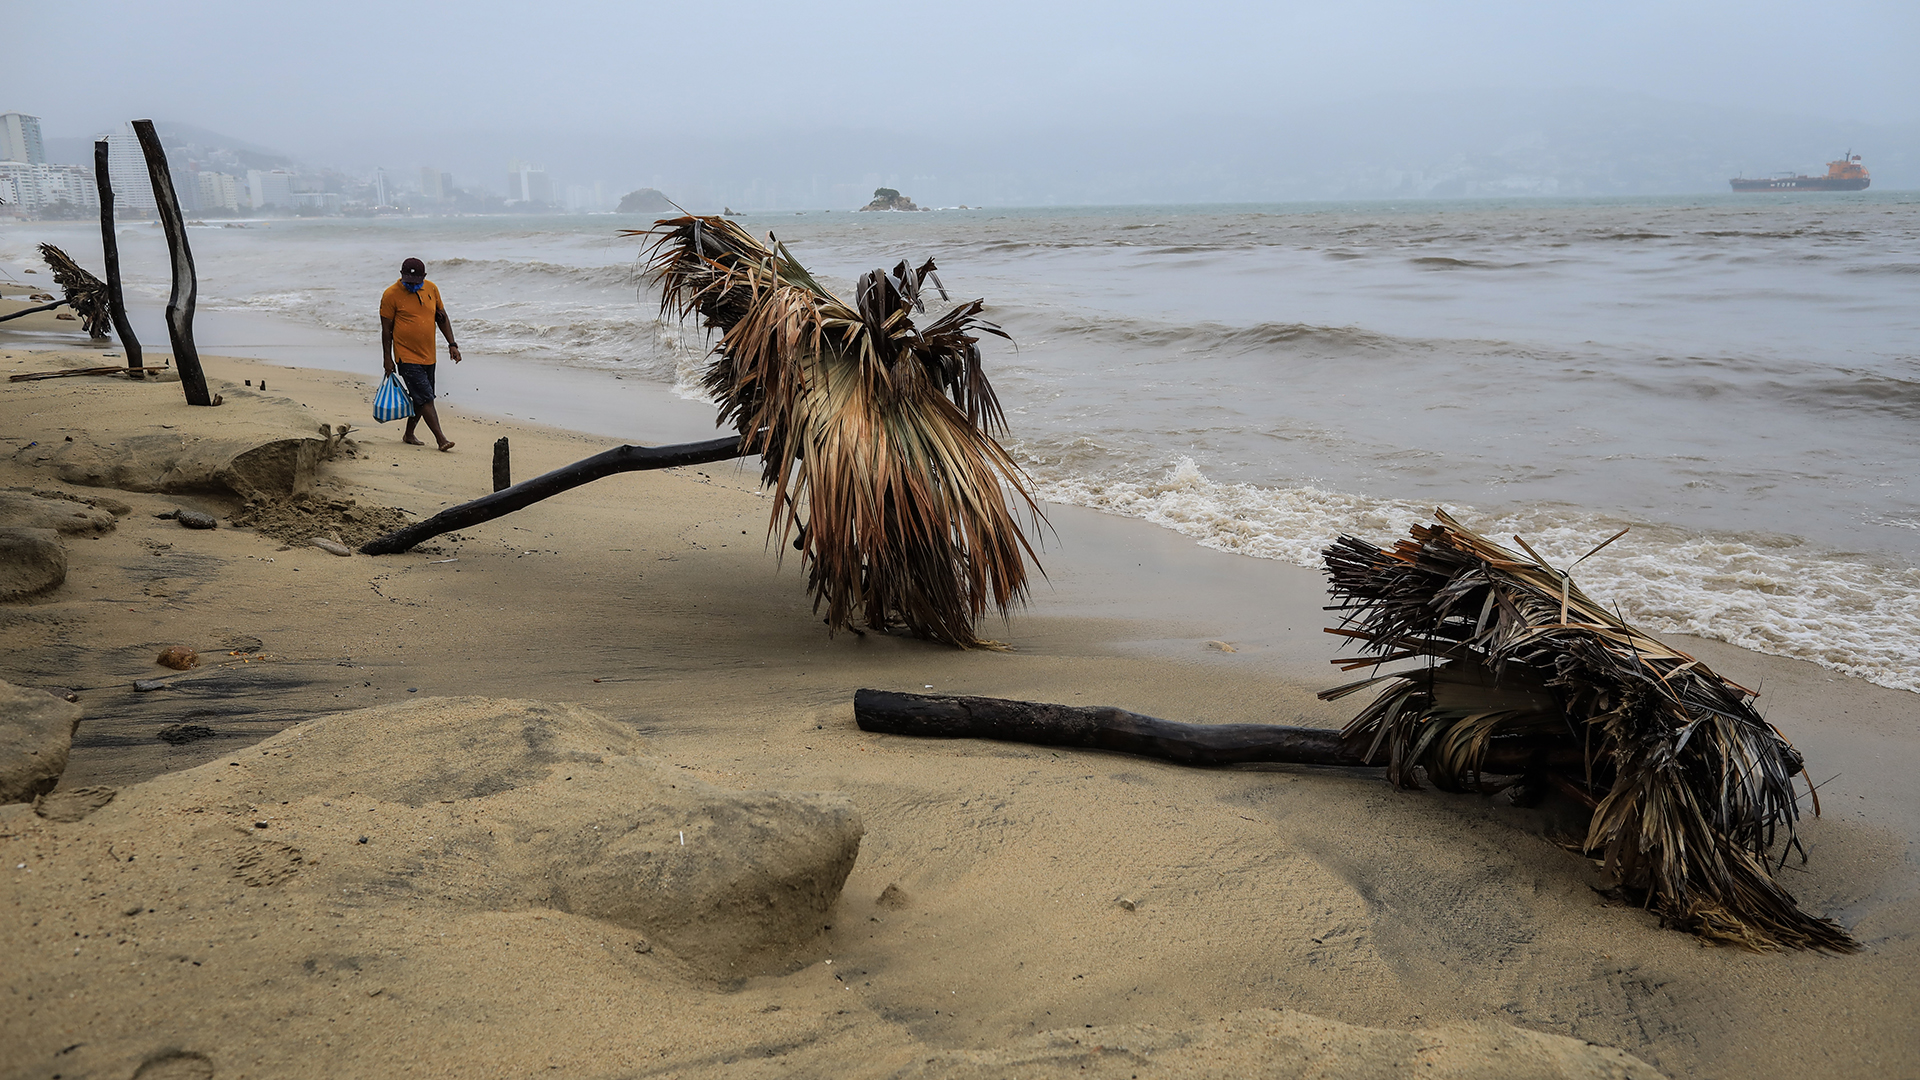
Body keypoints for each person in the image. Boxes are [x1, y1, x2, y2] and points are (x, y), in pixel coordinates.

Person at [379, 257, 463, 451]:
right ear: (401, 275)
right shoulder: (390, 295)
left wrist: (452, 344)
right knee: (426, 397)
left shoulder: (432, 289)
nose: (411, 284)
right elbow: (386, 330)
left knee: (421, 397)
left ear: (424, 277)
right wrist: (387, 358)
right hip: (405, 356)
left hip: (428, 355)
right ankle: (441, 439)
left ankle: (409, 434)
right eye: (408, 280)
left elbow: (442, 317)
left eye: (416, 281)